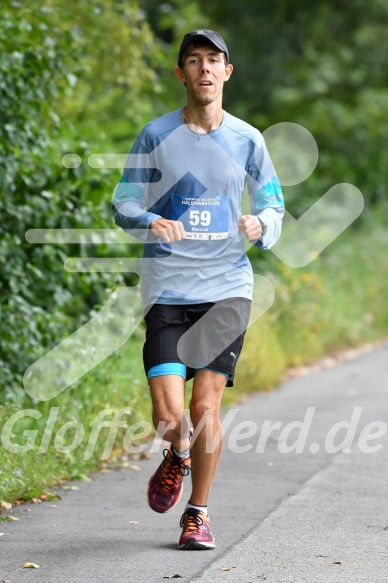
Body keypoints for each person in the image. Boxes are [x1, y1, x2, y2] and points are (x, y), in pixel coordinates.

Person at [113, 29, 284, 550]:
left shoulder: (249, 139)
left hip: (227, 289)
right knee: (169, 419)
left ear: (227, 72)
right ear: (181, 74)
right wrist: (149, 221)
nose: (205, 69)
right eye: (194, 60)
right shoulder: (155, 135)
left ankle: (198, 515)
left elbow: (274, 204)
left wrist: (263, 225)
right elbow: (123, 201)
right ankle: (178, 455)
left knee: (204, 408)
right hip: (167, 289)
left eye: (214, 60)